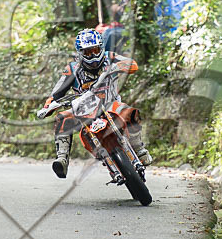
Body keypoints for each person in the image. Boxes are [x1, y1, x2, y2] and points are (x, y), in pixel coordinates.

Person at [43, 28, 152, 178]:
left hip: (110, 104)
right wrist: (48, 106)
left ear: (101, 47)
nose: (92, 55)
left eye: (95, 50)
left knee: (130, 112)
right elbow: (56, 93)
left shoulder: (110, 57)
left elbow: (132, 64)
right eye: (87, 52)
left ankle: (139, 149)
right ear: (80, 53)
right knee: (62, 118)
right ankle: (62, 159)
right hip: (84, 112)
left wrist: (119, 66)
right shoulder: (72, 69)